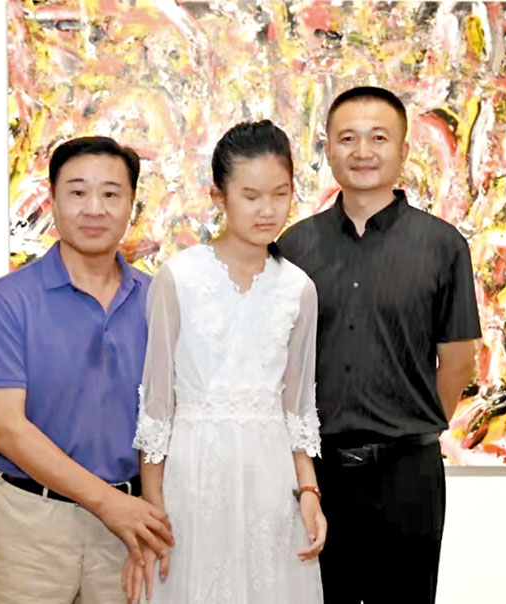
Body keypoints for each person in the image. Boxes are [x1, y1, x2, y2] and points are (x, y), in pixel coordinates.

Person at [278, 86, 482, 603]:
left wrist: (409, 427)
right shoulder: (294, 247)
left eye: (378, 138)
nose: (362, 151)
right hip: (318, 476)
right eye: (348, 138)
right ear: (328, 149)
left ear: (403, 151)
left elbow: (459, 361)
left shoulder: (442, 245)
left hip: (407, 476)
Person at [0, 136, 174, 603]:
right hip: (32, 526)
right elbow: (6, 430)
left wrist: (146, 510)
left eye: (111, 194)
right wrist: (108, 503)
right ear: (53, 199)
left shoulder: (158, 301)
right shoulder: (4, 301)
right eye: (78, 192)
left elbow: (170, 419)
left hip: (130, 527)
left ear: (132, 205)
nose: (94, 208)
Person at [123, 120, 326, 604]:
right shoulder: (178, 277)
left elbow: (298, 411)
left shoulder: (299, 288)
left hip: (269, 479)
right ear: (219, 197)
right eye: (250, 196)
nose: (267, 209)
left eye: (280, 194)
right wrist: (153, 508)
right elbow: (156, 410)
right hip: (195, 475)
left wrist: (310, 494)